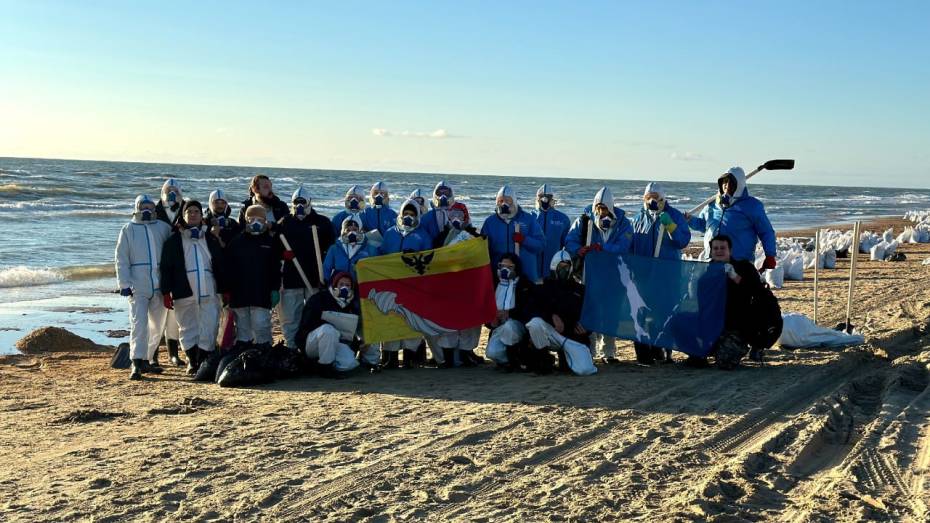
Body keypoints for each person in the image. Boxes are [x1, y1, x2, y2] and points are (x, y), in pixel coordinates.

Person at [565, 186, 634, 364]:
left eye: (604, 208)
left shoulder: (623, 223)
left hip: (613, 274)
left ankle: (609, 351)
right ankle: (589, 348)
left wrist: (603, 248)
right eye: (598, 208)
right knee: (589, 310)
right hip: (589, 273)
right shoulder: (584, 220)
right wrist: (579, 250)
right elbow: (570, 240)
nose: (601, 212)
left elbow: (624, 246)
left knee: (611, 312)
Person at [159, 200, 226, 374]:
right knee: (187, 327)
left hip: (208, 288)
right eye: (189, 212)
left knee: (210, 325)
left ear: (202, 215)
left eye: (197, 211)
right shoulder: (174, 241)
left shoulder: (210, 239)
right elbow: (165, 268)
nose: (193, 214)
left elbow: (220, 264)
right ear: (183, 216)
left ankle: (204, 360)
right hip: (184, 290)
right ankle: (192, 360)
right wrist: (166, 292)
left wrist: (225, 288)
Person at [629, 182, 691, 364]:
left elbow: (683, 241)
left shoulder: (674, 216)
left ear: (663, 199)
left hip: (667, 274)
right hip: (643, 273)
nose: (652, 201)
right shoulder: (639, 218)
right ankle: (643, 354)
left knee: (664, 311)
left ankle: (664, 351)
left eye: (656, 197)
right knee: (642, 312)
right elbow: (631, 244)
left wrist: (671, 226)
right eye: (648, 198)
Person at [703, 234, 782, 370]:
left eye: (723, 248)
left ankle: (751, 346)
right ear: (711, 252)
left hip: (739, 324)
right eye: (716, 248)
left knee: (725, 362)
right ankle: (704, 352)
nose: (719, 251)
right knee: (677, 322)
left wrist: (735, 277)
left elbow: (758, 292)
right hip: (713, 322)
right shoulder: (706, 272)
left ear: (730, 250)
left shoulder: (744, 267)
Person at [115, 195, 172, 380]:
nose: (146, 209)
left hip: (159, 284)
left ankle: (147, 358)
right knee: (139, 324)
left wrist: (170, 283)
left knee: (157, 325)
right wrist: (124, 283)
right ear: (137, 207)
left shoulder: (163, 228)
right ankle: (136, 362)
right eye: (143, 206)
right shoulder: (128, 230)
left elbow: (173, 254)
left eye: (149, 206)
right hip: (137, 285)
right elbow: (121, 258)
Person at [276, 185, 335, 349]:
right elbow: (275, 247)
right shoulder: (285, 222)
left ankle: (312, 347)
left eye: (303, 202)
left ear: (310, 203)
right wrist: (282, 255)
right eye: (296, 202)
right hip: (291, 277)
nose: (299, 206)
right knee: (290, 316)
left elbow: (331, 250)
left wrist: (326, 277)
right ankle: (292, 348)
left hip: (315, 278)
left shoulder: (322, 223)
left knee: (314, 315)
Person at [426, 202, 483, 367]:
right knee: (447, 318)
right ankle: (448, 356)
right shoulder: (441, 236)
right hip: (446, 284)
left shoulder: (474, 235)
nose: (456, 218)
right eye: (453, 215)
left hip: (467, 284)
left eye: (460, 214)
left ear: (466, 217)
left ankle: (466, 353)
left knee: (468, 319)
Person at [378, 199, 433, 368]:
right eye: (406, 214)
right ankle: (390, 357)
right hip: (391, 283)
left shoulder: (423, 235)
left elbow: (429, 259)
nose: (408, 217)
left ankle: (410, 357)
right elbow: (381, 255)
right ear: (401, 214)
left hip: (413, 285)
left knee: (411, 321)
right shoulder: (390, 233)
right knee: (391, 318)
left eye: (412, 214)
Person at [686, 167, 777, 267]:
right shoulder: (711, 205)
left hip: (740, 263)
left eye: (731, 182)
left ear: (740, 185)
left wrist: (770, 255)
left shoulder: (752, 206)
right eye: (724, 181)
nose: (727, 185)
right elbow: (703, 225)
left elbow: (766, 232)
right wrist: (689, 220)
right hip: (712, 261)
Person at [524, 250, 591, 374]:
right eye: (561, 266)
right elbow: (531, 309)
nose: (564, 270)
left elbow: (589, 314)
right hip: (551, 333)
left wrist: (586, 329)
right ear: (554, 266)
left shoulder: (580, 290)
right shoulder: (542, 286)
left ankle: (565, 358)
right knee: (535, 324)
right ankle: (544, 359)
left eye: (567, 266)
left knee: (584, 369)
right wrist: (551, 316)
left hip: (572, 336)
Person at [226, 205, 281, 346]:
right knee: (243, 329)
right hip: (239, 295)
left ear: (265, 221)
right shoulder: (236, 242)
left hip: (261, 294)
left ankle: (264, 355)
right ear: (246, 220)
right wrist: (226, 290)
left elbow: (275, 268)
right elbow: (228, 268)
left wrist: (275, 288)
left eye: (260, 219)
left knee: (261, 326)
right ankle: (243, 355)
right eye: (252, 219)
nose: (256, 222)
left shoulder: (270, 242)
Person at [295, 271, 363, 378]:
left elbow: (350, 331)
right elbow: (306, 323)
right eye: (341, 284)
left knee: (349, 363)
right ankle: (325, 368)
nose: (344, 288)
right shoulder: (319, 299)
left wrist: (357, 345)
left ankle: (316, 365)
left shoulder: (351, 304)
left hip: (335, 342)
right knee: (328, 330)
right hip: (313, 342)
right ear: (335, 285)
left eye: (347, 285)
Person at [484, 254, 541, 372]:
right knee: (492, 353)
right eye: (502, 266)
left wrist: (510, 313)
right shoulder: (494, 285)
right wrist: (491, 321)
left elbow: (530, 310)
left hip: (518, 325)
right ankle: (516, 358)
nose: (505, 270)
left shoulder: (525, 285)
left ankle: (513, 361)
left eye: (509, 267)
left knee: (509, 327)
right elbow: (487, 311)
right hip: (499, 327)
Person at [480, 185, 546, 283]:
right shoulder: (490, 222)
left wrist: (524, 240)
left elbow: (541, 245)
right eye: (501, 201)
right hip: (499, 276)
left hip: (526, 276)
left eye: (508, 200)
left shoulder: (528, 220)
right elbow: (483, 250)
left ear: (514, 201)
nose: (504, 204)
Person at [155, 178, 184, 365]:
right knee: (156, 313)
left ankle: (173, 352)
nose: (172, 193)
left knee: (175, 312)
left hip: (179, 267)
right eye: (168, 189)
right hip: (157, 267)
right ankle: (153, 352)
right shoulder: (153, 211)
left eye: (175, 190)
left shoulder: (187, 210)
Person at [322, 216, 378, 284]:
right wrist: (325, 280)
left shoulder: (370, 249)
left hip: (361, 287)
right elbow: (327, 268)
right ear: (343, 231)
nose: (351, 233)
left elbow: (376, 269)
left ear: (360, 230)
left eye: (355, 229)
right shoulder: (334, 249)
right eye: (348, 230)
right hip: (341, 287)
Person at [532, 184, 571, 279]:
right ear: (537, 199)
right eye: (541, 197)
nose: (545, 199)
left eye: (548, 197)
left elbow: (567, 244)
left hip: (553, 268)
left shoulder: (563, 219)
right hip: (533, 269)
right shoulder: (530, 218)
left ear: (552, 199)